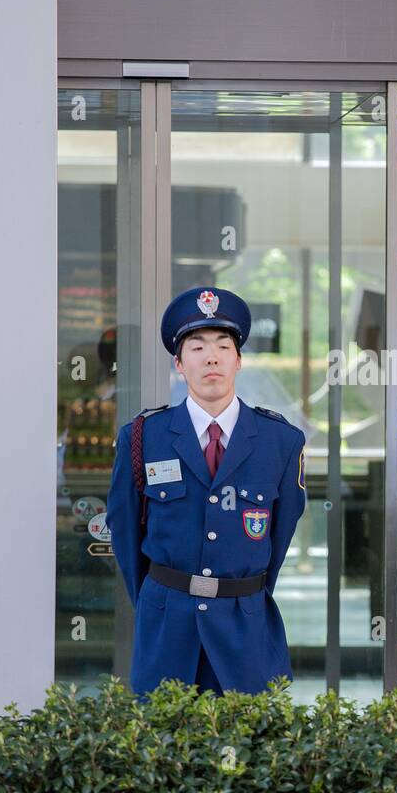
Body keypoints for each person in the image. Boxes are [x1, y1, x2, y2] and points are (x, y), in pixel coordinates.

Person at [107, 286, 307, 698]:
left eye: (222, 345)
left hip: (244, 629)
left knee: (249, 751)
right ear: (179, 364)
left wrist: (242, 592)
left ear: (239, 360)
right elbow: (126, 535)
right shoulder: (144, 437)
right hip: (166, 628)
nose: (211, 357)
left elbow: (280, 535)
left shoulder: (281, 442)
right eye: (196, 347)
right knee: (163, 753)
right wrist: (157, 599)